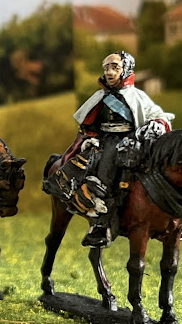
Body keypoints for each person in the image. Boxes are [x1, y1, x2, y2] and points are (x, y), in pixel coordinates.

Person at [48, 51, 174, 248]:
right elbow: (89, 124)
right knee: (104, 175)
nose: (109, 72)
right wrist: (90, 138)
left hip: (135, 140)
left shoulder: (138, 96)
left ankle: (169, 215)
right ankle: (101, 223)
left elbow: (157, 114)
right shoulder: (100, 97)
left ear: (126, 70)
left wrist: (157, 124)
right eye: (106, 68)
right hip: (107, 142)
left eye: (115, 67)